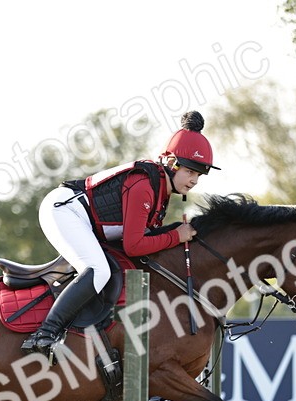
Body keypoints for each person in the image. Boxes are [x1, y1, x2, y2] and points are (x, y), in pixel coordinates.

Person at [20, 110, 220, 357]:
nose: (194, 181)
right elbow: (134, 246)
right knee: (99, 270)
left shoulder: (161, 191)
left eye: (199, 174)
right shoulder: (144, 185)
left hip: (84, 220)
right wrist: (176, 236)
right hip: (64, 211)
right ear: (171, 163)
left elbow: (145, 240)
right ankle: (45, 333)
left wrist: (177, 235)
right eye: (190, 171)